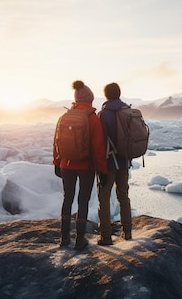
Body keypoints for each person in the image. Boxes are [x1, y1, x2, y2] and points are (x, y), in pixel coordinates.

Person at [53, 80, 107, 250]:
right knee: (83, 200)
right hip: (86, 167)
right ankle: (80, 239)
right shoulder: (92, 118)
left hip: (66, 164)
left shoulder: (65, 116)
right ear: (90, 100)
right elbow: (99, 147)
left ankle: (63, 238)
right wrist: (103, 170)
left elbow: (56, 142)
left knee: (67, 198)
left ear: (75, 99)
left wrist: (57, 162)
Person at [97, 82, 132, 245]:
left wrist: (100, 165)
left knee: (104, 197)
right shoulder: (127, 111)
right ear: (119, 93)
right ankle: (127, 232)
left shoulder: (104, 114)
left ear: (106, 95)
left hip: (109, 162)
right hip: (124, 161)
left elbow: (101, 142)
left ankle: (105, 236)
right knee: (124, 196)